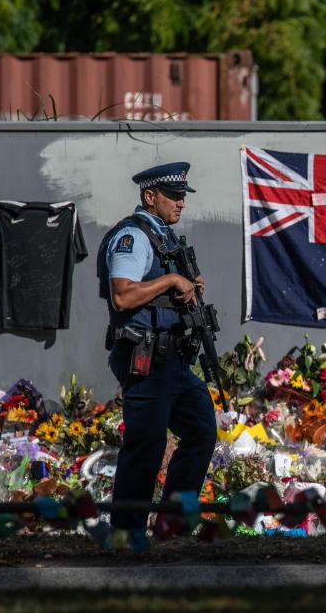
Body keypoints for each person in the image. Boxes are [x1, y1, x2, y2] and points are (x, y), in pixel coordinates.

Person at [97, 162, 216, 532]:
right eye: (174, 196)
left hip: (173, 364)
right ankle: (127, 532)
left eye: (183, 197)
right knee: (146, 446)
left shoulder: (162, 237)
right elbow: (123, 295)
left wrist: (187, 288)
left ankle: (173, 525)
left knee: (200, 429)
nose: (181, 203)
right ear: (150, 197)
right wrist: (170, 280)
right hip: (145, 361)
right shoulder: (132, 237)